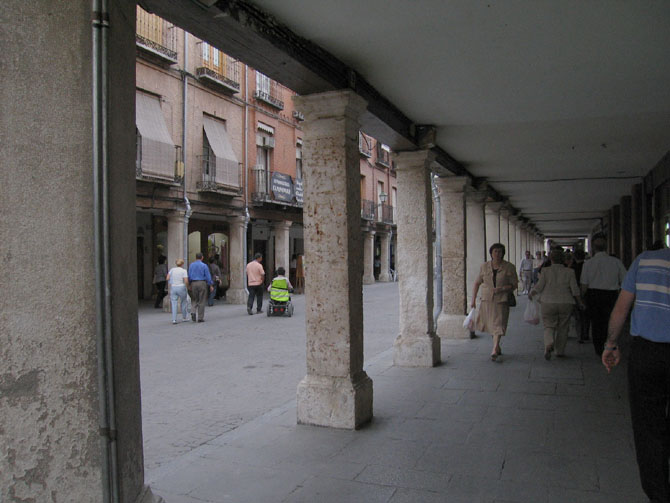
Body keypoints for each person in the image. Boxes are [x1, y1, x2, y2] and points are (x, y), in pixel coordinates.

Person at [603, 246, 670, 502]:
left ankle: (659, 494)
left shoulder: (645, 261)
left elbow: (621, 309)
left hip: (648, 353)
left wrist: (611, 344)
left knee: (647, 425)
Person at [529, 248, 585, 360]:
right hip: (566, 302)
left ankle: (549, 342)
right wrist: (580, 302)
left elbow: (539, 286)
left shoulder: (545, 271)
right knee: (563, 327)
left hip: (547, 302)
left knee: (548, 325)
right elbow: (575, 289)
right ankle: (559, 351)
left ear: (551, 259)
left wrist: (532, 293)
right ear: (564, 259)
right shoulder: (570, 272)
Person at [580, 233, 626, 356]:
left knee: (596, 322)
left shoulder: (588, 264)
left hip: (593, 295)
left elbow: (584, 284)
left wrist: (581, 298)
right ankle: (609, 343)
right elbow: (625, 282)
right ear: (606, 246)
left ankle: (599, 348)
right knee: (610, 320)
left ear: (593, 248)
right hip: (611, 295)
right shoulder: (616, 262)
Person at [470, 243, 518, 361]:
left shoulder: (509, 267)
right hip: (487, 300)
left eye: (500, 252)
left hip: (502, 300)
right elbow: (477, 283)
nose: (497, 254)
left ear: (503, 253)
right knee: (491, 324)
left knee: (499, 323)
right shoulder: (484, 266)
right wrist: (473, 300)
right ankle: (497, 345)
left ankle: (495, 348)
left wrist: (503, 288)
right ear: (491, 253)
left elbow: (514, 284)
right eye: (495, 251)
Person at [187, 252, 214, 322]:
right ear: (202, 257)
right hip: (202, 282)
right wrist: (210, 284)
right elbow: (208, 276)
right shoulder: (204, 266)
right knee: (202, 300)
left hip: (193, 283)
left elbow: (189, 275)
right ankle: (200, 317)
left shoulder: (191, 265)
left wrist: (189, 284)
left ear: (195, 257)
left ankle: (193, 311)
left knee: (194, 299)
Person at [166, 258, 189, 324]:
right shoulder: (184, 271)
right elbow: (186, 281)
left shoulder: (172, 270)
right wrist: (187, 286)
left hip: (173, 287)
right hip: (181, 286)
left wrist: (172, 282)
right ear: (182, 264)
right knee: (183, 302)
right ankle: (184, 317)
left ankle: (174, 319)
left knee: (174, 303)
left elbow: (167, 278)